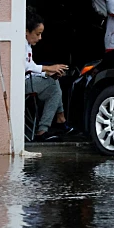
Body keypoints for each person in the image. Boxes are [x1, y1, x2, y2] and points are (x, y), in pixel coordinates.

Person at [25, 8, 74, 141]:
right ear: (26, 31)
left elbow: (32, 66)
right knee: (53, 83)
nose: (40, 38)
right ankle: (57, 120)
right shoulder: (21, 44)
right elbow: (26, 67)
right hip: (21, 83)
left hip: (28, 80)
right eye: (38, 34)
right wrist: (49, 68)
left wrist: (50, 72)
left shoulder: (27, 44)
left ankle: (51, 124)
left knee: (54, 84)